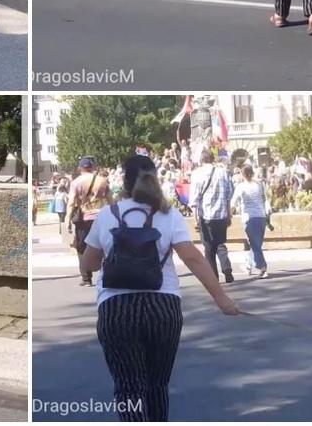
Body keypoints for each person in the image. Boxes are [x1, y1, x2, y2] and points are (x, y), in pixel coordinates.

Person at [79, 155, 239, 421]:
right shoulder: (169, 214)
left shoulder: (108, 215)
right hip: (162, 306)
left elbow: (89, 264)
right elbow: (193, 258)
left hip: (117, 308)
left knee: (130, 387)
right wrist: (221, 299)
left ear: (125, 181)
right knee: (157, 385)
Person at [189, 149, 234, 283]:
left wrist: (195, 218)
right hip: (221, 215)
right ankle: (227, 269)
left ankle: (213, 277)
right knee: (220, 243)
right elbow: (229, 193)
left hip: (206, 215)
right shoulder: (223, 172)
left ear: (201, 160)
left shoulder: (197, 174)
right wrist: (228, 213)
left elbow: (194, 199)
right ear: (213, 158)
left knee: (209, 248)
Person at [67, 158, 113, 287]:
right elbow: (111, 200)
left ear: (80, 168)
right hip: (102, 217)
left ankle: (86, 278)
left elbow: (71, 203)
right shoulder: (102, 181)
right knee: (105, 246)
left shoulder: (76, 182)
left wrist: (67, 220)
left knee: (82, 247)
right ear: (92, 168)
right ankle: (107, 275)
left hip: (84, 219)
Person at [230, 164, 270, 278]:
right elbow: (264, 198)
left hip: (249, 218)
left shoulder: (241, 187)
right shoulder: (259, 184)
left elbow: (233, 202)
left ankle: (262, 267)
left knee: (255, 244)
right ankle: (248, 264)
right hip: (261, 216)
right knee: (256, 243)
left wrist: (229, 214)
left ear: (242, 174)